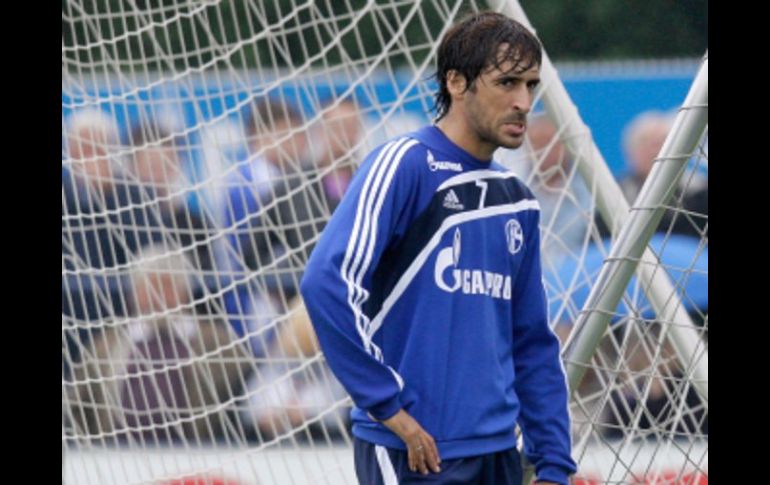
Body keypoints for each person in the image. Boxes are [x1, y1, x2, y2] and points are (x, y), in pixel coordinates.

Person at [300, 11, 576, 485]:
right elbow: (327, 281)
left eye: (531, 85)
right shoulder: (406, 164)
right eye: (507, 82)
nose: (523, 101)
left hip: (497, 455)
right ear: (456, 82)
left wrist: (553, 462)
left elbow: (531, 341)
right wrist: (389, 408)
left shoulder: (518, 200)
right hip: (413, 451)